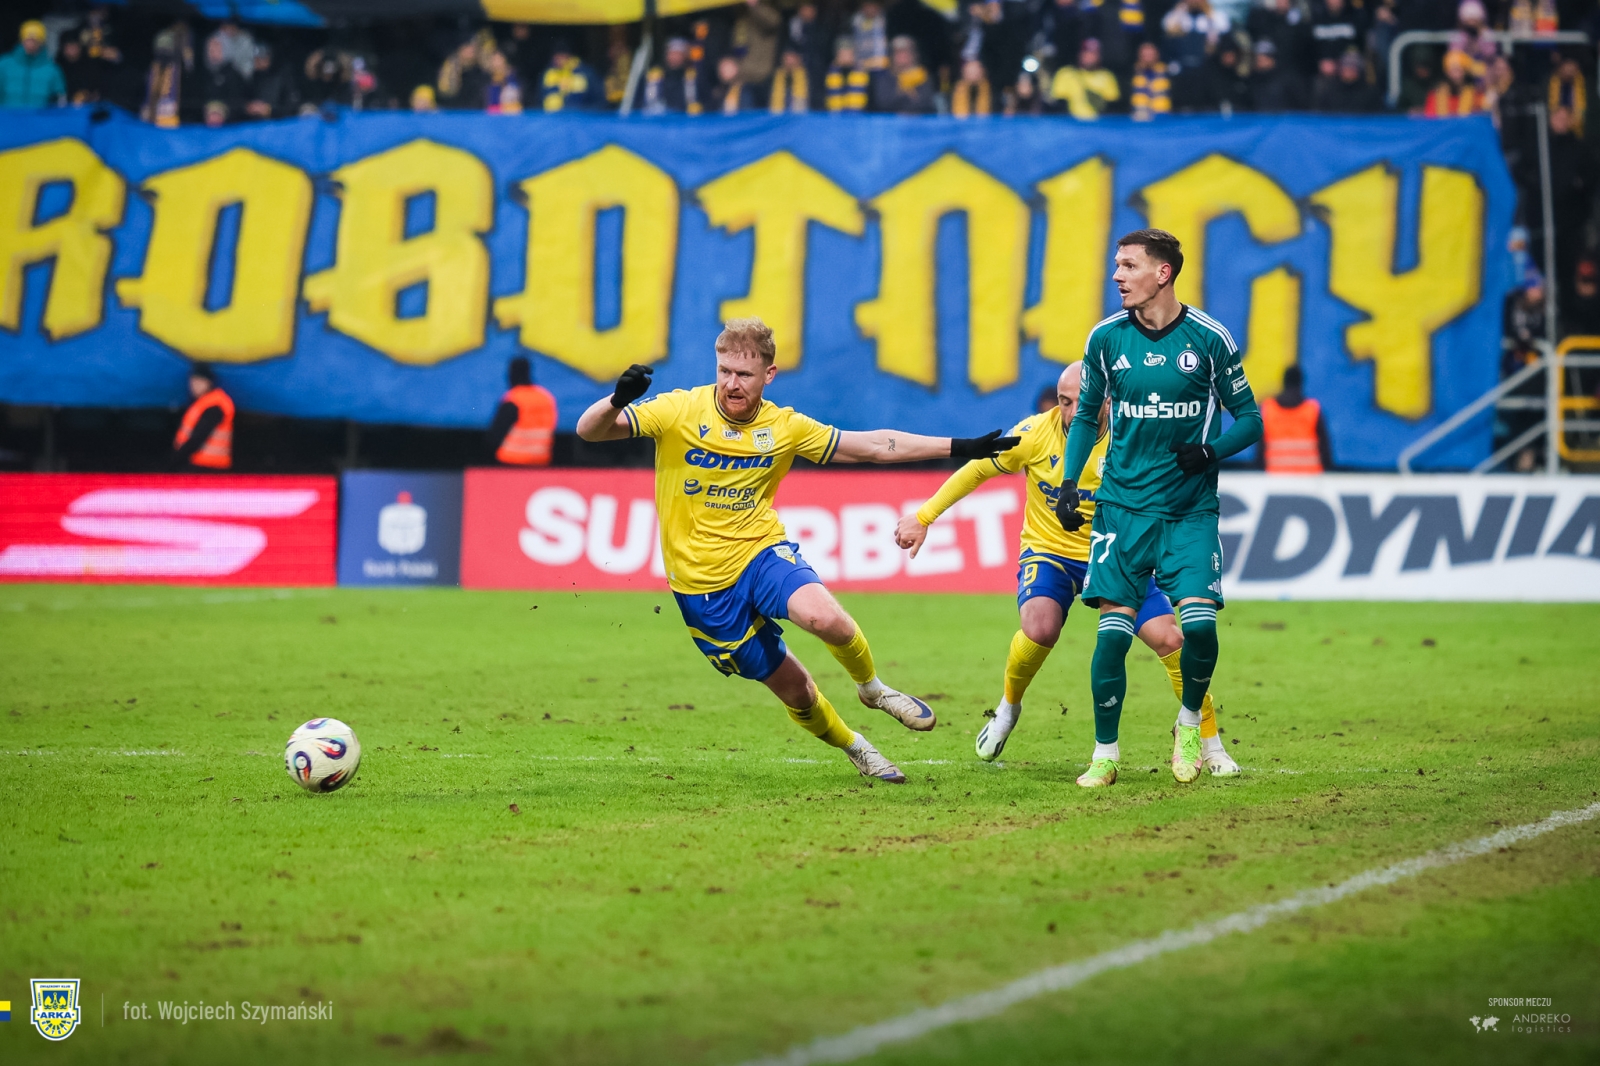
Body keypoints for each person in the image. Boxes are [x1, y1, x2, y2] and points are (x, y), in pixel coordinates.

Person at [573, 317, 1018, 784]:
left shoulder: (783, 427)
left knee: (827, 619)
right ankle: (856, 746)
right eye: (724, 371)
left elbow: (872, 447)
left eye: (744, 375)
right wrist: (617, 400)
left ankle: (873, 689)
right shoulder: (678, 409)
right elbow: (590, 431)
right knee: (798, 691)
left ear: (769, 374)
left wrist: (961, 447)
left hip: (760, 552)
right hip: (701, 587)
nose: (731, 384)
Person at [895, 362, 1240, 780]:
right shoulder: (1034, 434)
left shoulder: (1131, 436)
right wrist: (924, 517)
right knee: (1039, 628)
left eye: (1082, 401)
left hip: (1115, 553)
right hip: (1050, 551)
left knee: (1171, 639)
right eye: (1064, 401)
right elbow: (978, 469)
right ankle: (1009, 707)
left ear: (1107, 401)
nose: (1073, 411)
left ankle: (1210, 742)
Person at [1055, 229, 1262, 787]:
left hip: (1189, 511)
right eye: (1116, 265)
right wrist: (1070, 481)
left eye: (1128, 265)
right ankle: (1105, 754)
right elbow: (1085, 416)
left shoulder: (1209, 339)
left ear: (1162, 272)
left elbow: (1250, 419)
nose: (1116, 276)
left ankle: (1189, 723)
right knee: (1112, 636)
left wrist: (1211, 451)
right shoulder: (1105, 338)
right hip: (1122, 509)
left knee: (1200, 628)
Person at [1258, 364, 1333, 472]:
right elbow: (1325, 452)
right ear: (1301, 383)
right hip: (1309, 477)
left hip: (1276, 477)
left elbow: (1260, 452)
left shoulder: (1267, 410)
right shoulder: (1313, 410)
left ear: (1283, 382)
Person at [488, 356, 557, 466]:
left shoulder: (513, 398)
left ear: (511, 374)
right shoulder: (546, 398)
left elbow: (495, 436)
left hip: (511, 461)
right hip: (540, 461)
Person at [173, 363, 234, 471]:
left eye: (200, 382)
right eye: (193, 381)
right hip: (198, 463)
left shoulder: (215, 406)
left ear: (209, 383)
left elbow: (198, 438)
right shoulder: (201, 403)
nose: (195, 386)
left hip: (209, 467)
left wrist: (174, 463)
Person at [0, 21, 66, 108]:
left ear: (41, 42)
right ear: (22, 40)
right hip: (8, 115)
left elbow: (60, 99)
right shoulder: (4, 65)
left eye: (35, 40)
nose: (31, 44)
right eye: (28, 39)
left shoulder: (52, 70)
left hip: (39, 116)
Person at [1052, 37, 1121, 118]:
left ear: (1099, 56)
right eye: (1086, 53)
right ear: (1080, 54)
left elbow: (1112, 106)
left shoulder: (1107, 76)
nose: (1089, 57)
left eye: (1093, 54)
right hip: (1071, 122)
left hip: (1099, 123)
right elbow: (1059, 104)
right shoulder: (1065, 73)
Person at [872, 36, 936, 114]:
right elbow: (883, 103)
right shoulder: (885, 77)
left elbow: (926, 103)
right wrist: (903, 94)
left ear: (913, 55)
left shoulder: (923, 76)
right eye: (898, 52)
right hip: (891, 120)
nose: (902, 56)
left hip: (919, 120)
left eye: (905, 52)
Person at [541, 39, 602, 111]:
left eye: (562, 56)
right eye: (556, 56)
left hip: (580, 116)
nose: (558, 60)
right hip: (553, 116)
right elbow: (540, 97)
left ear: (569, 56)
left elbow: (598, 99)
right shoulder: (548, 74)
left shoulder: (585, 73)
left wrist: (587, 112)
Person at [824, 38, 870, 112]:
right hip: (835, 116)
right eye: (842, 53)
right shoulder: (830, 73)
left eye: (848, 52)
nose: (845, 56)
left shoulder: (863, 72)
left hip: (858, 116)